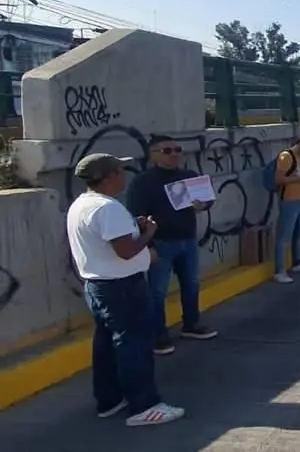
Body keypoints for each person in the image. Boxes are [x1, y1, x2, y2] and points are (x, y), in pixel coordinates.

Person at [67, 153, 185, 427]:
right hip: (122, 287)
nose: (124, 175)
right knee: (135, 345)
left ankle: (109, 400)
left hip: (98, 286)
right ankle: (144, 406)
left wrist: (135, 228)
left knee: (107, 346)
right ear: (109, 176)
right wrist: (149, 233)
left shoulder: (81, 205)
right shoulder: (108, 208)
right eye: (119, 170)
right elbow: (127, 251)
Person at [126, 135, 217, 357]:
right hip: (161, 243)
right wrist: (147, 246)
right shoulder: (143, 182)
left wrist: (203, 204)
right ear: (153, 154)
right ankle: (158, 335)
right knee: (157, 292)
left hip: (188, 240)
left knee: (192, 284)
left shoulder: (188, 176)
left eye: (177, 149)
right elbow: (136, 215)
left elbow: (208, 199)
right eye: (167, 151)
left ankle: (191, 324)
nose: (174, 154)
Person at [273, 136, 300, 284]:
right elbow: (279, 180)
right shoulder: (286, 157)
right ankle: (279, 271)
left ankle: (297, 262)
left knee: (299, 233)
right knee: (283, 236)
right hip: (289, 201)